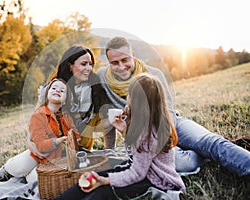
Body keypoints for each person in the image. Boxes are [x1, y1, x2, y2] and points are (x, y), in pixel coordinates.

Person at [97, 36, 250, 176]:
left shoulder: (153, 74)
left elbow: (168, 110)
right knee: (185, 163)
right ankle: (200, 154)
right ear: (108, 62)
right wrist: (108, 151)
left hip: (170, 123)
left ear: (133, 56)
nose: (121, 66)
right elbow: (107, 117)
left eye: (125, 60)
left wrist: (167, 140)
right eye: (115, 63)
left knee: (210, 141)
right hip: (143, 139)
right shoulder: (102, 78)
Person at [55, 73, 186, 200]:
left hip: (154, 180)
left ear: (137, 102)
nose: (126, 98)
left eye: (129, 95)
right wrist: (125, 131)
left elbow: (137, 173)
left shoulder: (148, 132)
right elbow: (135, 155)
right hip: (142, 170)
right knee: (94, 176)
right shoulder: (147, 121)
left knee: (101, 192)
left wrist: (105, 181)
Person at [0, 78, 80, 185]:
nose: (57, 90)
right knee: (18, 167)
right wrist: (58, 141)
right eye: (54, 88)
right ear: (46, 95)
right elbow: (40, 144)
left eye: (62, 91)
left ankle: (23, 177)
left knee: (35, 181)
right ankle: (5, 171)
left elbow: (74, 133)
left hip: (53, 157)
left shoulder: (66, 116)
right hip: (37, 154)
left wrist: (76, 139)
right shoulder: (39, 115)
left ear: (64, 101)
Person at [41, 45, 113, 150]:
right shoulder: (54, 89)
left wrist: (110, 150)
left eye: (90, 64)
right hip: (56, 148)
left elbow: (104, 124)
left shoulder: (95, 89)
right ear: (70, 66)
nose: (89, 68)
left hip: (84, 150)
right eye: (84, 64)